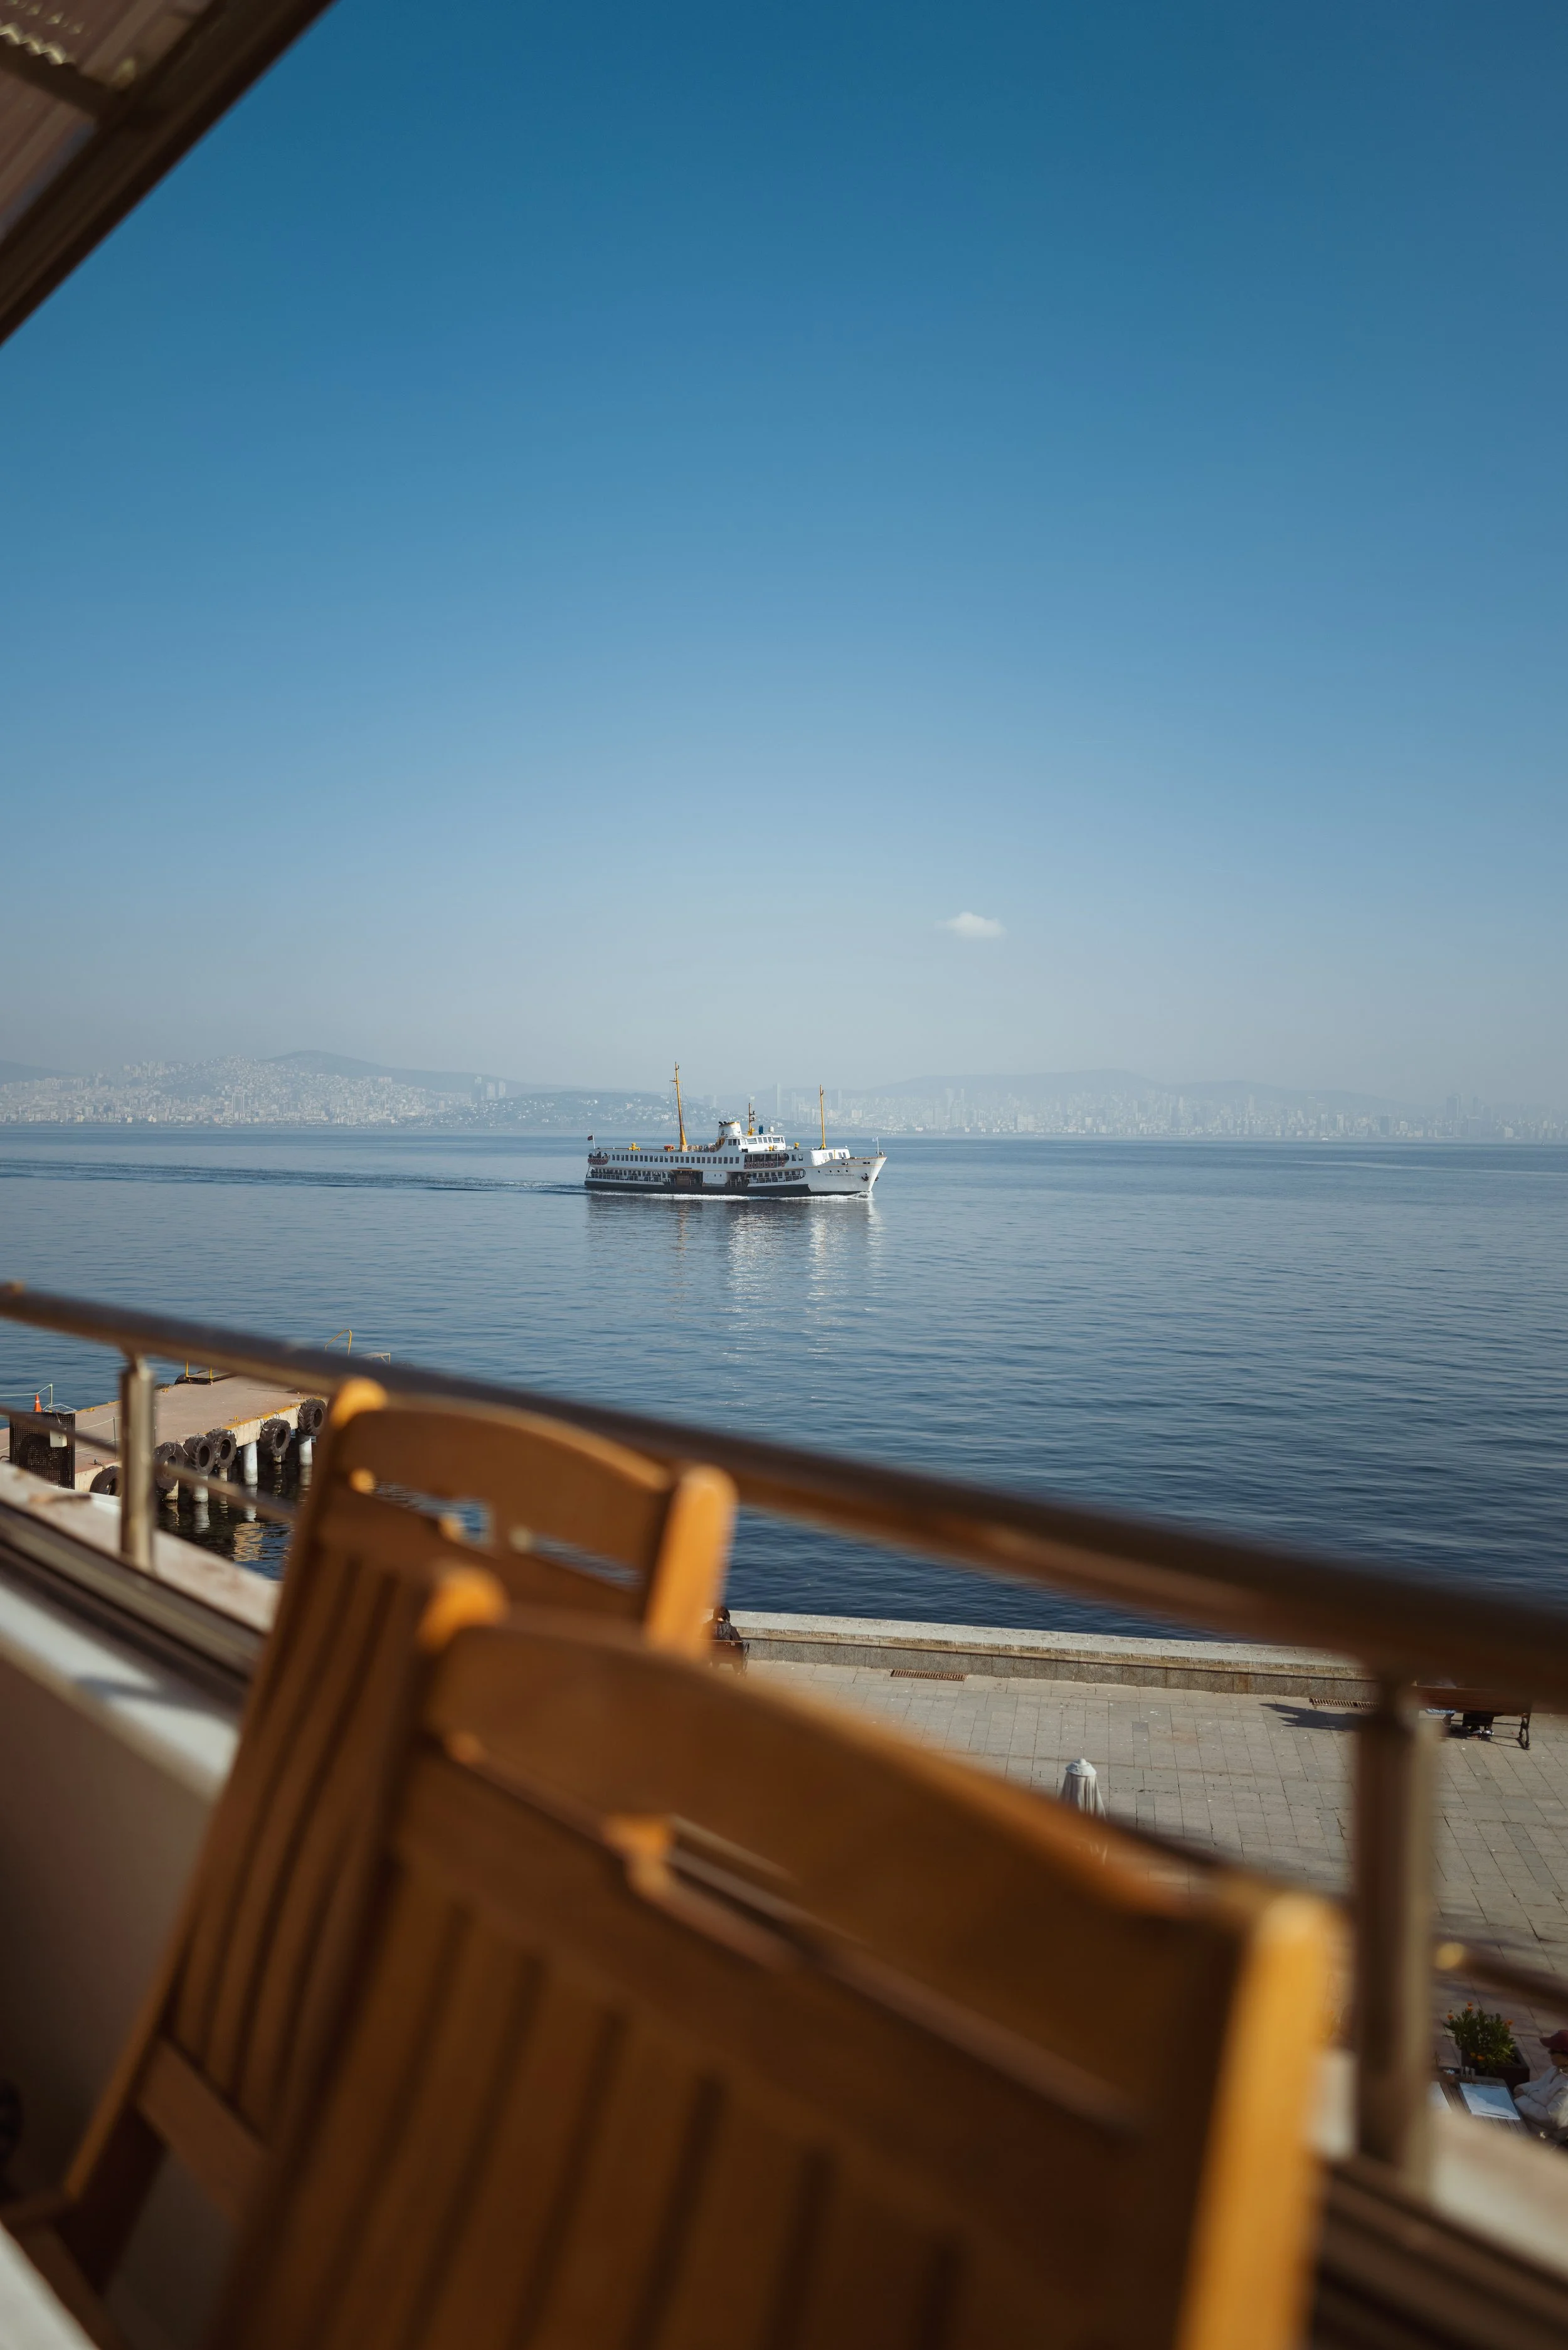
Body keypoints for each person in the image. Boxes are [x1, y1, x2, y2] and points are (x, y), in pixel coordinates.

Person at [1513, 2028, 1568, 2143]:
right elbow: (1538, 2086)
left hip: (1542, 2141)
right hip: (1528, 2124)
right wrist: (1522, 2089)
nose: (1549, 2053)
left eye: (1553, 2051)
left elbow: (1552, 2118)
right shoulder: (1556, 2069)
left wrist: (1521, 2100)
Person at [710, 1605, 748, 1672]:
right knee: (737, 1651)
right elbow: (739, 1644)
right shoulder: (731, 1629)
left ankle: (714, 1668)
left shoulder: (706, 1628)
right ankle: (738, 1672)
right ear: (726, 1616)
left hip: (711, 1656)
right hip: (729, 1658)